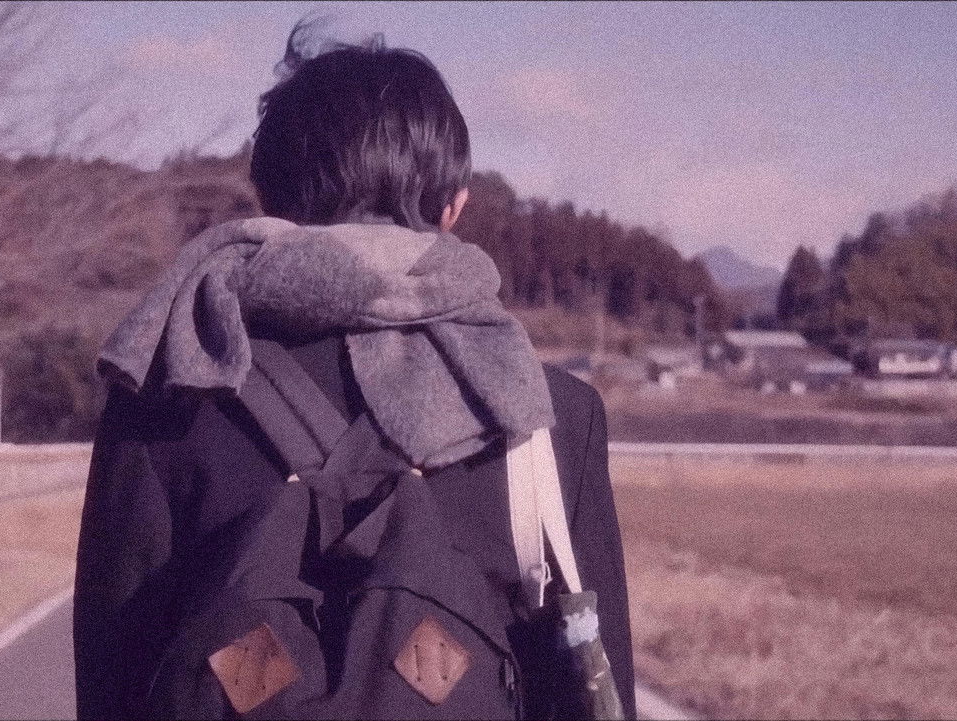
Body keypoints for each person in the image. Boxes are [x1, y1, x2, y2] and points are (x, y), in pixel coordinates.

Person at [73, 21, 635, 720]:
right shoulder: (545, 417)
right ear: (454, 207)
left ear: (269, 200)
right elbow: (595, 694)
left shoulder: (173, 387)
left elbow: (114, 686)